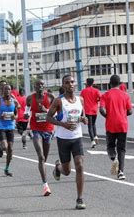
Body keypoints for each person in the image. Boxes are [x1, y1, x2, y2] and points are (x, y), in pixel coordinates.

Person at [47, 75, 88, 210]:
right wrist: (63, 124)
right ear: (63, 85)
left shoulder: (80, 99)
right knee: (67, 171)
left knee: (80, 165)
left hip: (77, 137)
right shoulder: (59, 101)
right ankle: (58, 168)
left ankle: (80, 199)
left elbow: (83, 115)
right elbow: (48, 117)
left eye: (72, 82)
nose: (70, 84)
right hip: (63, 139)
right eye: (67, 82)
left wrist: (83, 119)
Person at [100, 75, 133, 180]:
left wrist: (108, 116)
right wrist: (122, 115)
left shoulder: (105, 95)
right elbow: (130, 111)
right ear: (120, 84)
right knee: (122, 149)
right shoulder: (125, 95)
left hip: (111, 124)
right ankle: (121, 172)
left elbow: (101, 109)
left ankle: (113, 158)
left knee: (110, 145)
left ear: (110, 83)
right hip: (123, 124)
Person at [25, 80, 55, 196]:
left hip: (48, 129)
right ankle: (45, 185)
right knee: (41, 157)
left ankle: (54, 168)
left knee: (44, 159)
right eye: (38, 85)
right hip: (35, 129)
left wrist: (46, 110)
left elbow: (57, 113)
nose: (40, 86)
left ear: (44, 87)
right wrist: (26, 114)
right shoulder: (30, 98)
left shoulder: (50, 97)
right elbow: (27, 109)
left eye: (42, 85)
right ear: (35, 87)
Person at [0, 84, 20, 176]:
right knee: (5, 147)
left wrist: (15, 116)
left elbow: (16, 114)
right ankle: (1, 147)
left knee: (10, 149)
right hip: (2, 127)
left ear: (11, 91)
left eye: (9, 89)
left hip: (11, 127)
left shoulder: (14, 102)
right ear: (3, 90)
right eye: (5, 89)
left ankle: (6, 168)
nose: (7, 91)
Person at [80, 78, 101, 148]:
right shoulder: (96, 90)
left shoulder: (83, 91)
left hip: (88, 110)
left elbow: (80, 100)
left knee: (89, 126)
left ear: (86, 82)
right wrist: (96, 100)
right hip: (95, 110)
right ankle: (95, 136)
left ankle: (92, 141)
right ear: (93, 82)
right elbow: (100, 98)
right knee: (93, 124)